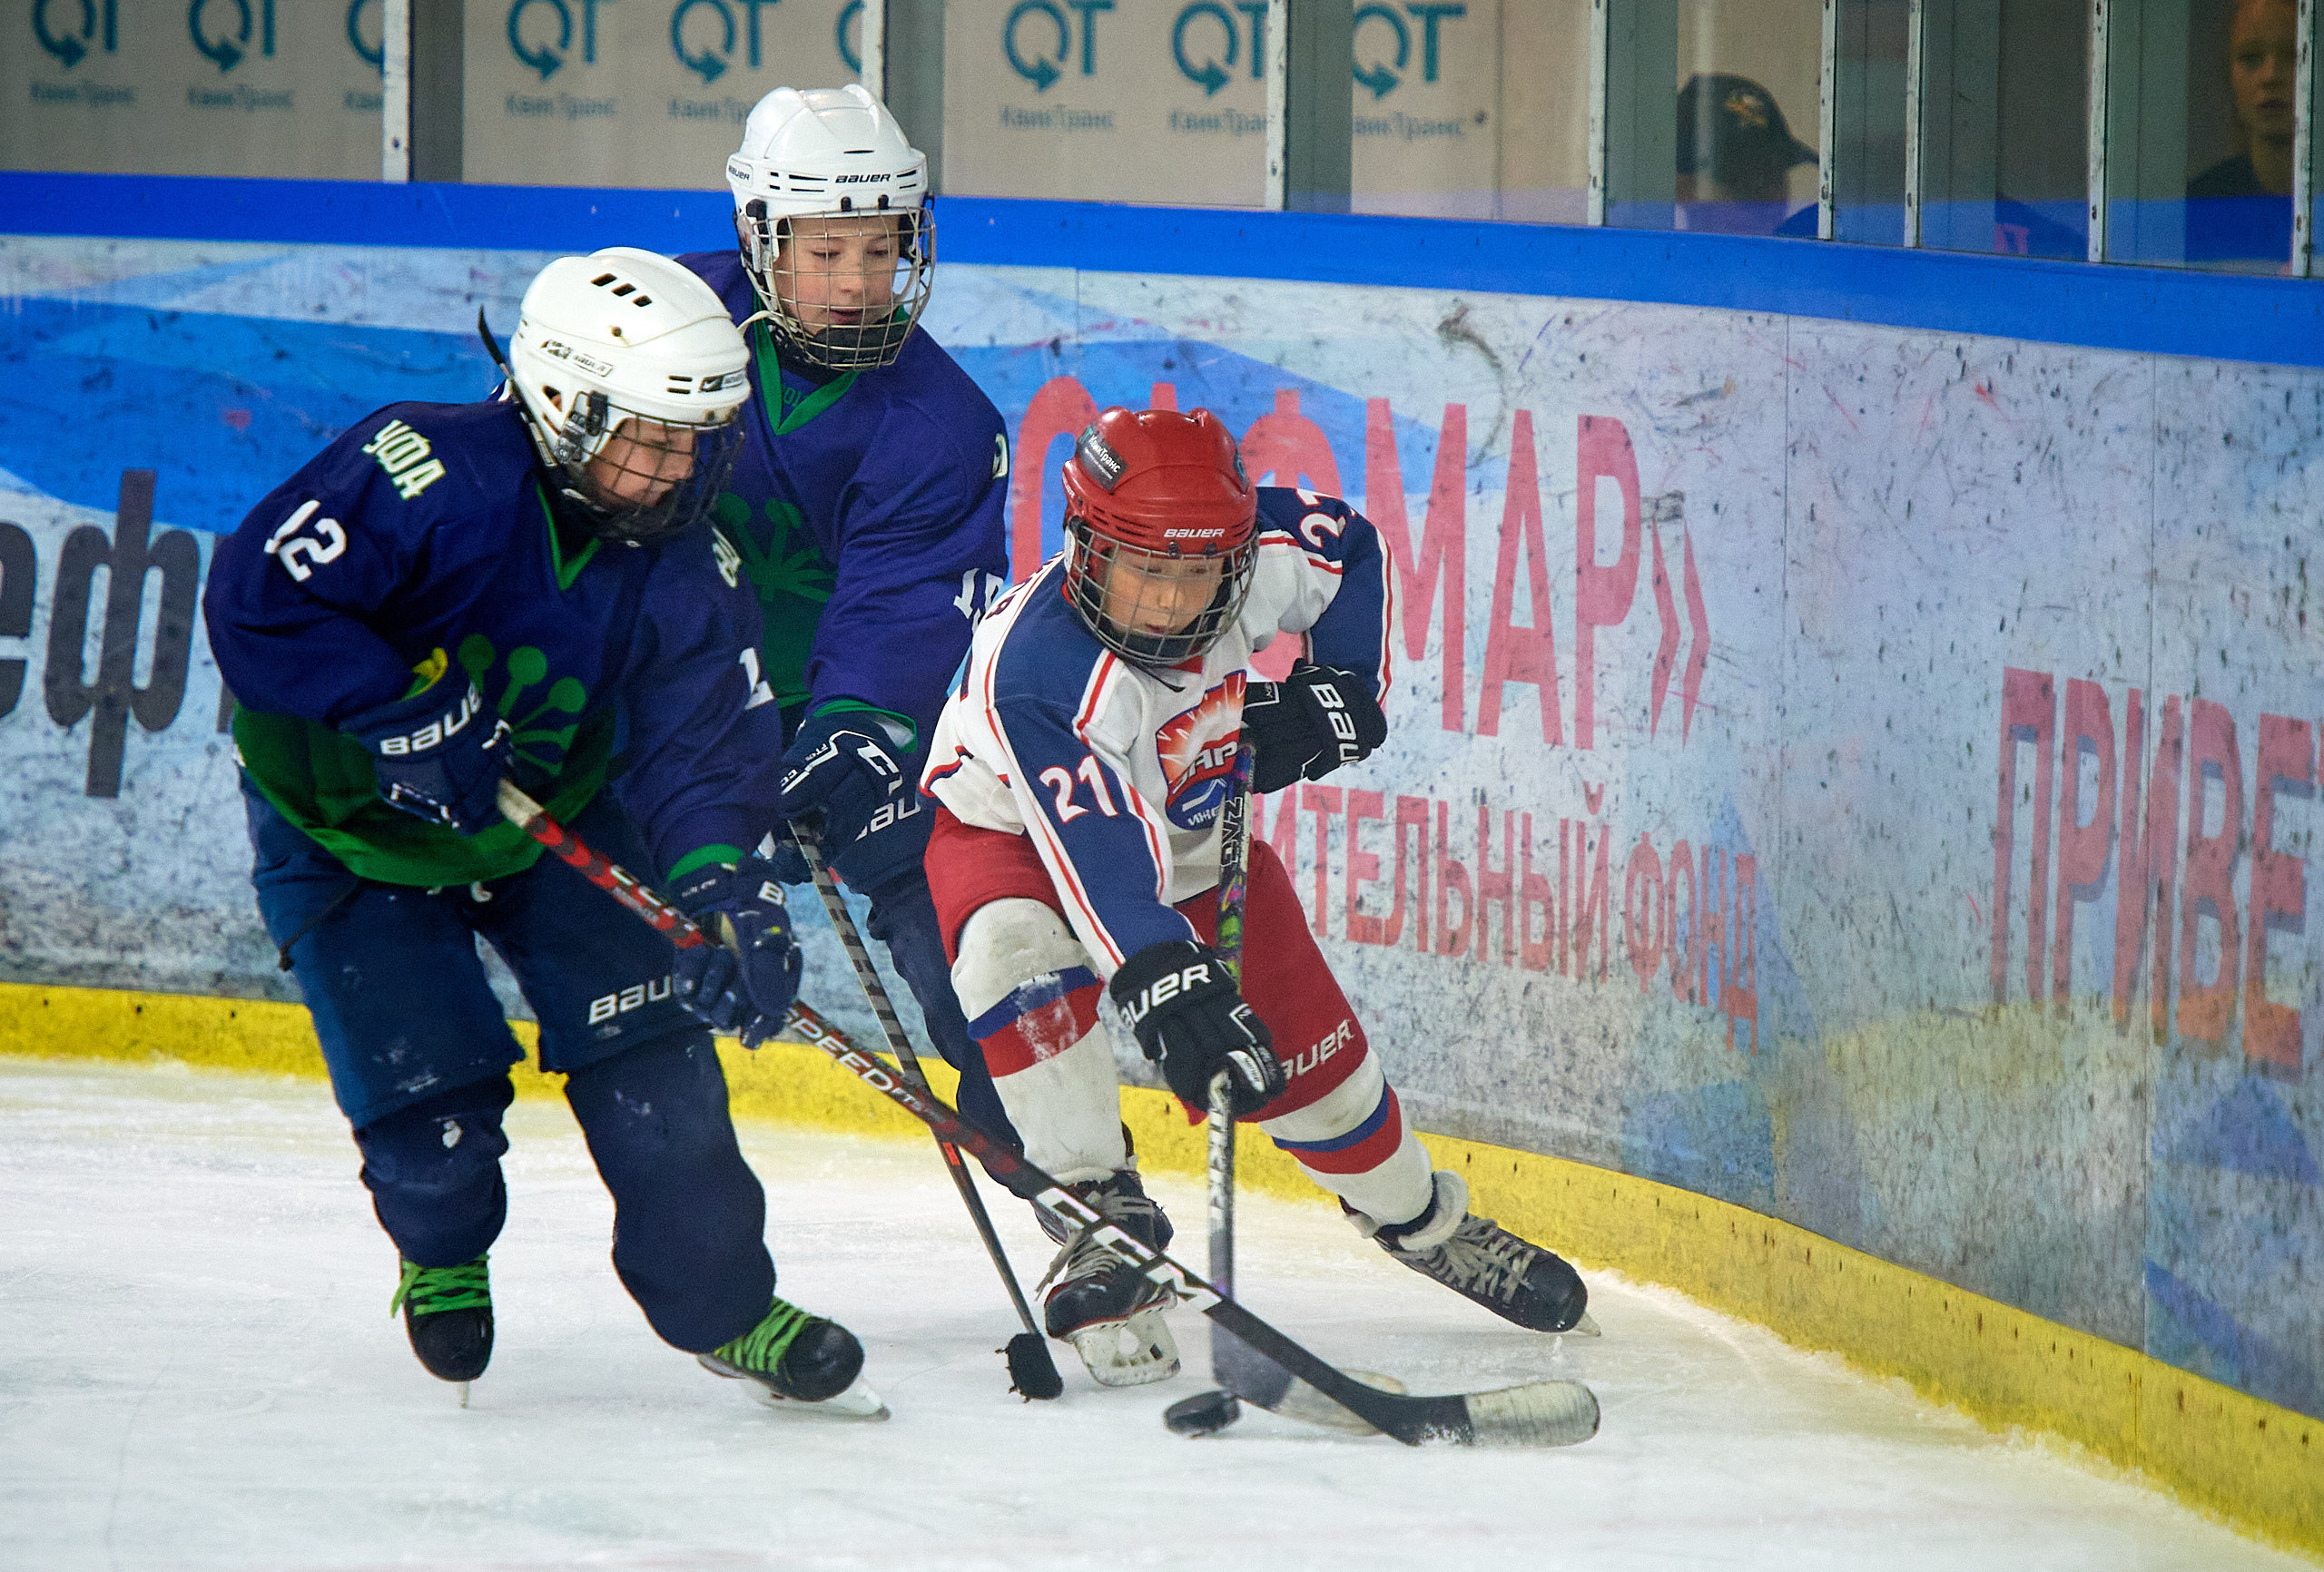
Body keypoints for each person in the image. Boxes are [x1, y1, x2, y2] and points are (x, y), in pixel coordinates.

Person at [203, 247, 880, 1419]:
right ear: (564, 403)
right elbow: (258, 594)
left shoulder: (681, 565)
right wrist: (401, 715)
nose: (681, 466)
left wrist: (731, 895)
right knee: (430, 1106)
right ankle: (441, 1239)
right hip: (347, 833)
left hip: (547, 818)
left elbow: (699, 750)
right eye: (653, 435)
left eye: (696, 437)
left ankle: (724, 1306)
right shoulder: (429, 473)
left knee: (660, 1075)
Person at [917, 406, 1591, 1387]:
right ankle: (1100, 1215)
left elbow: (1351, 551)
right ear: (1084, 545)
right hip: (1013, 837)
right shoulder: (1042, 672)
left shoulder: (1262, 551)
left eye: (1197, 576)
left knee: (1321, 1080)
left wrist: (1343, 694)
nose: (1168, 599)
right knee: (1014, 953)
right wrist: (1165, 980)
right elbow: (1099, 863)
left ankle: (1422, 1220)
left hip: (1192, 847)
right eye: (1144, 569)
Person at [675, 84, 1018, 1152]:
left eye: (879, 251)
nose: (858, 285)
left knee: (965, 932)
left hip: (855, 726)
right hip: (672, 707)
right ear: (757, 236)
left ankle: (1078, 1191)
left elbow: (906, 607)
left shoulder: (942, 423)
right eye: (825, 254)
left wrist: (842, 736)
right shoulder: (666, 329)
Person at [2187, 0, 2297, 266]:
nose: (2270, 76)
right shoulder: (2200, 209)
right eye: (2250, 58)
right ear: (2229, 74)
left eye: (2294, 54)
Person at [1675, 73, 1817, 237]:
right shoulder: (1655, 251)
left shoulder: (1805, 241)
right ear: (1684, 189)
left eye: (1775, 176)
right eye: (1748, 186)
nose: (1769, 203)